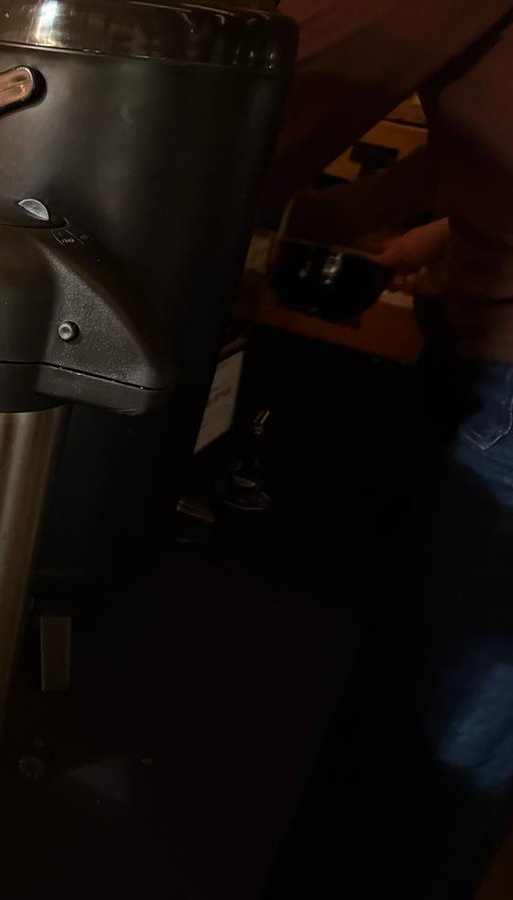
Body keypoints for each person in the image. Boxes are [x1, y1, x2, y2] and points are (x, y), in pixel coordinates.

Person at [260, 2, 513, 898]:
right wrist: (358, 216)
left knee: (432, 735)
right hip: (480, 351)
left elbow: (257, 96)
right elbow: (479, 136)